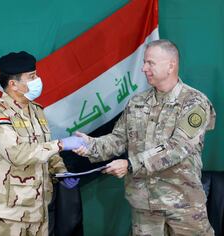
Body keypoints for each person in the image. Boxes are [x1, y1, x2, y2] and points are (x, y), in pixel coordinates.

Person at [72, 39, 216, 235]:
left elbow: (177, 147)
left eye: (150, 63)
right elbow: (119, 139)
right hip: (144, 206)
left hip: (182, 204)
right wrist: (90, 145)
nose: (143, 68)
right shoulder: (137, 102)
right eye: (144, 62)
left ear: (171, 65)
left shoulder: (194, 102)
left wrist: (131, 164)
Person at [0, 51, 83, 235]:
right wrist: (61, 144)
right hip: (10, 211)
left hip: (39, 208)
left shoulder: (36, 110)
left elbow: (44, 148)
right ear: (13, 84)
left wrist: (61, 172)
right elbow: (17, 154)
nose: (38, 80)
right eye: (32, 76)